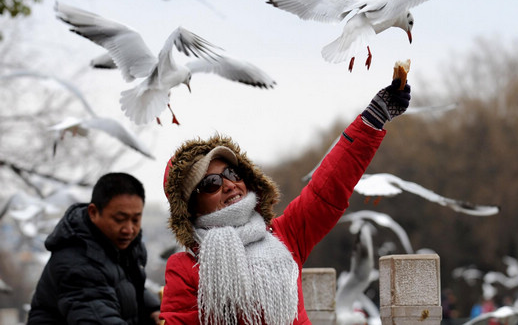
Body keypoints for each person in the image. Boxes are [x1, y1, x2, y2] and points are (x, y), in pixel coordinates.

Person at [160, 78, 411, 324]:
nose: (228, 184)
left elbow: (328, 188)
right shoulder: (185, 268)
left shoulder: (285, 234)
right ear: (190, 207)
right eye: (211, 184)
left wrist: (373, 120)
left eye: (232, 173)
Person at [27, 172, 161, 324]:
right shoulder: (75, 263)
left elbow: (129, 288)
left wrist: (155, 311)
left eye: (136, 219)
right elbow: (97, 318)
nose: (129, 229)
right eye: (119, 219)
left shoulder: (122, 247)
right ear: (93, 212)